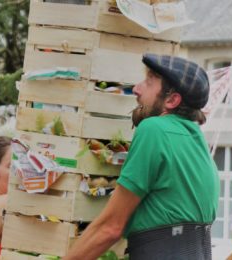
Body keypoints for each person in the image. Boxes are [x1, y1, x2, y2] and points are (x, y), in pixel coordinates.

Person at [63, 55, 219, 260]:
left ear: (172, 100)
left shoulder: (154, 129)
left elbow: (110, 228)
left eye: (149, 82)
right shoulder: (197, 141)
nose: (136, 89)